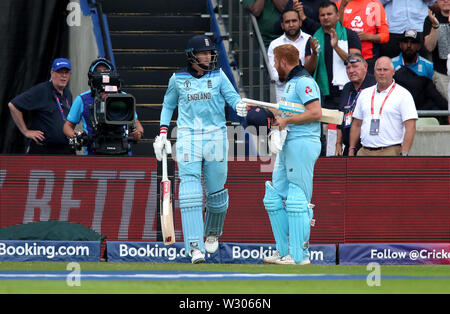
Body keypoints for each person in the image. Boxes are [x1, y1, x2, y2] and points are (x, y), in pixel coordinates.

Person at [153, 35, 247, 264]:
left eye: (210, 53)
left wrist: (239, 105)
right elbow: (168, 105)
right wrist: (164, 132)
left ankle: (212, 232)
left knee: (216, 193)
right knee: (190, 192)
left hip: (216, 136)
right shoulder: (177, 79)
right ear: (192, 56)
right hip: (188, 136)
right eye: (204, 53)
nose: (209, 56)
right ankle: (194, 247)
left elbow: (233, 97)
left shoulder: (218, 75)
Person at [261, 44, 322, 265]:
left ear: (283, 61)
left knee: (298, 200)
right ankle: (284, 250)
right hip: (289, 141)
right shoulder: (290, 84)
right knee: (274, 196)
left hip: (303, 142)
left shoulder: (305, 81)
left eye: (276, 62)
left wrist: (286, 120)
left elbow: (315, 112)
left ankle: (300, 255)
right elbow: (289, 113)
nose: (275, 66)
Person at [63, 58, 144, 155]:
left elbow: (136, 123)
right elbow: (67, 126)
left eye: (106, 71)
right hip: (93, 152)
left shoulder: (123, 97)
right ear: (92, 76)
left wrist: (137, 133)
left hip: (121, 151)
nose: (103, 74)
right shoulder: (82, 99)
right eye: (99, 71)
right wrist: (75, 135)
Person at [349, 57, 418, 156]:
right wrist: (351, 149)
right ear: (374, 72)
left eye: (385, 70)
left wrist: (404, 153)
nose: (381, 73)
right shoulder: (364, 94)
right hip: (364, 151)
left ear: (393, 72)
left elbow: (410, 126)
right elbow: (356, 124)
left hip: (390, 151)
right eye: (378, 69)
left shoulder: (403, 94)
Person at [8, 58, 75, 155]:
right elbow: (13, 105)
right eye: (60, 72)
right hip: (44, 150)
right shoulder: (42, 90)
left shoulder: (68, 93)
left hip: (64, 149)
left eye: (66, 72)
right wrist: (26, 131)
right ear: (52, 73)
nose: (64, 76)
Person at [304, 0, 362, 110]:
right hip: (323, 93)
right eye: (322, 15)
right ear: (319, 17)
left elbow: (356, 62)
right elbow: (308, 69)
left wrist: (336, 47)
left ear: (337, 15)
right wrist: (315, 54)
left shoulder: (350, 35)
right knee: (327, 127)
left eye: (329, 14)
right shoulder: (313, 40)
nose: (326, 17)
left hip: (346, 90)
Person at [392, 30, 447, 121]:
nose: (409, 46)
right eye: (406, 42)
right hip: (398, 107)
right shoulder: (390, 64)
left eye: (413, 42)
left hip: (422, 107)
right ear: (400, 45)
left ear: (419, 46)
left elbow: (434, 92)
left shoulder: (428, 66)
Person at [336, 53, 376, 156]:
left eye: (355, 66)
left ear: (365, 66)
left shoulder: (374, 85)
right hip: (349, 147)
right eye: (348, 68)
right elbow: (341, 117)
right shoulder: (346, 88)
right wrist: (338, 143)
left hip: (369, 147)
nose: (351, 71)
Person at [268, 8, 311, 102]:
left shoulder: (310, 40)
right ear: (282, 25)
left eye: (294, 21)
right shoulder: (275, 44)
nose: (291, 25)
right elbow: (274, 74)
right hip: (283, 93)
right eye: (287, 22)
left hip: (306, 92)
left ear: (300, 22)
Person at [336, 0, 390, 73]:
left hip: (368, 59)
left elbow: (385, 36)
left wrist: (367, 37)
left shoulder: (375, 5)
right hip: (343, 58)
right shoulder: (340, 4)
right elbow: (335, 30)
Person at [424, 0, 450, 102]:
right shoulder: (430, 19)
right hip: (441, 73)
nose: (445, 0)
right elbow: (429, 47)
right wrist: (435, 26)